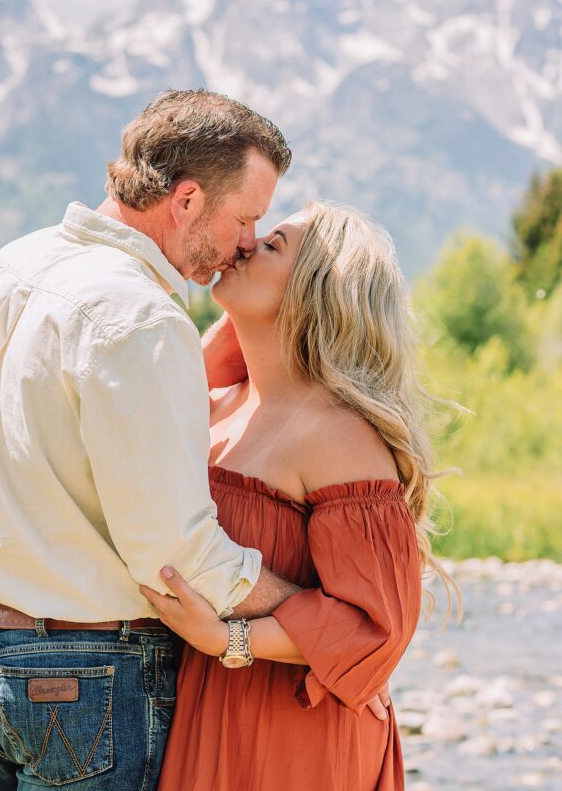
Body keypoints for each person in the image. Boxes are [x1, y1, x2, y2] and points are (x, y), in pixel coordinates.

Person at [0, 88, 310, 791]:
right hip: (81, 678)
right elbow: (176, 559)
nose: (249, 240)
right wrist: (315, 616)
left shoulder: (9, 266)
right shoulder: (137, 316)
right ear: (188, 201)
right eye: (246, 217)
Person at [140, 202, 462, 791]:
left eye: (273, 245)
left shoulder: (338, 435)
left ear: (318, 290)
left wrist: (225, 639)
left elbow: (374, 627)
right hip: (208, 703)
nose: (244, 244)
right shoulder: (225, 401)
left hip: (291, 727)